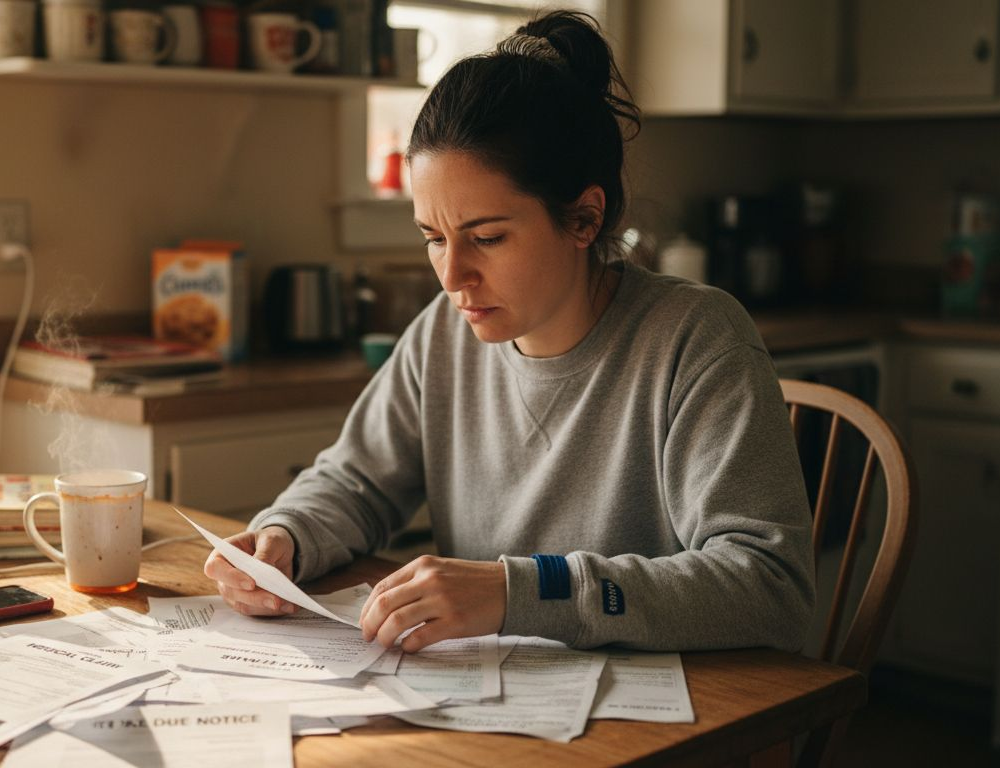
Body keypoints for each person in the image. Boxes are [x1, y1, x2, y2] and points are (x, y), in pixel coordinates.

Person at [204, 10, 815, 654]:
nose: (452, 276)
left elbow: (768, 586)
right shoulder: (445, 334)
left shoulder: (695, 338)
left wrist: (521, 592)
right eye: (434, 239)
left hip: (662, 721)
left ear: (583, 219)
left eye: (487, 238)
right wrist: (287, 535)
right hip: (493, 705)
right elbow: (357, 481)